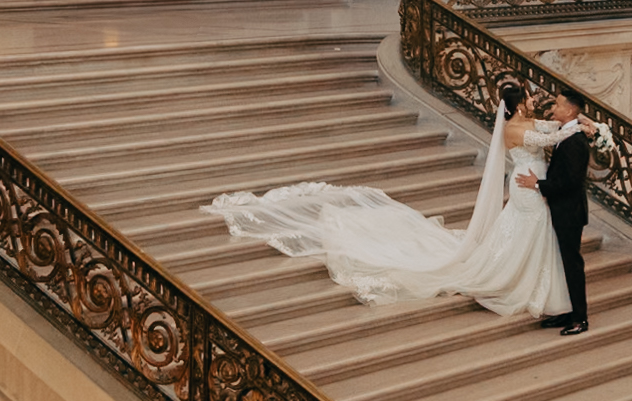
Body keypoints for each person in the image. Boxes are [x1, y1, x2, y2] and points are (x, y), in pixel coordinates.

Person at [203, 78, 598, 326]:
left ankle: (546, 296)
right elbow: (548, 139)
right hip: (530, 190)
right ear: (516, 106)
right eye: (530, 97)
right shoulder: (515, 130)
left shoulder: (534, 122)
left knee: (531, 243)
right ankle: (516, 286)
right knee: (523, 240)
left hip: (537, 192)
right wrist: (575, 127)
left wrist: (584, 127)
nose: (538, 101)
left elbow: (551, 130)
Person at [517, 87, 595, 334]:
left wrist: (538, 184)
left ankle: (580, 319)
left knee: (572, 264)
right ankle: (568, 312)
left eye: (559, 105)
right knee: (563, 264)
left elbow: (570, 181)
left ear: (570, 110)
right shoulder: (566, 132)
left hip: (569, 212)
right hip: (563, 208)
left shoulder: (575, 141)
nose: (554, 108)